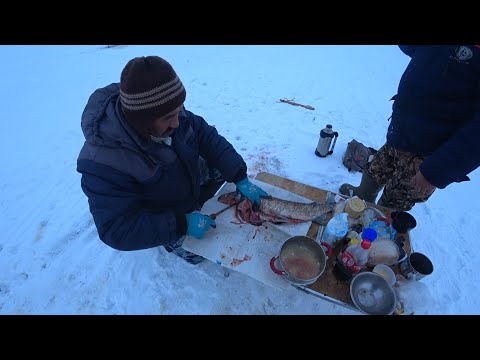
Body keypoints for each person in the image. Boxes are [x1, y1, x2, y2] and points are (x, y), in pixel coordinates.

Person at [77, 55, 268, 264]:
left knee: (222, 166)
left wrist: (240, 176)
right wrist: (180, 224)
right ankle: (176, 231)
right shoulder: (103, 162)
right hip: (160, 210)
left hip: (181, 179)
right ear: (143, 121)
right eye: (169, 117)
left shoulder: (168, 110)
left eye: (179, 111)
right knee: (200, 253)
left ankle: (196, 201)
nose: (177, 122)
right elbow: (116, 229)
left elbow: (207, 136)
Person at [340, 45, 480, 211]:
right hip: (401, 132)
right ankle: (361, 198)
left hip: (427, 154)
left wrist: (436, 172)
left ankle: (378, 226)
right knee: (375, 170)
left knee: (393, 203)